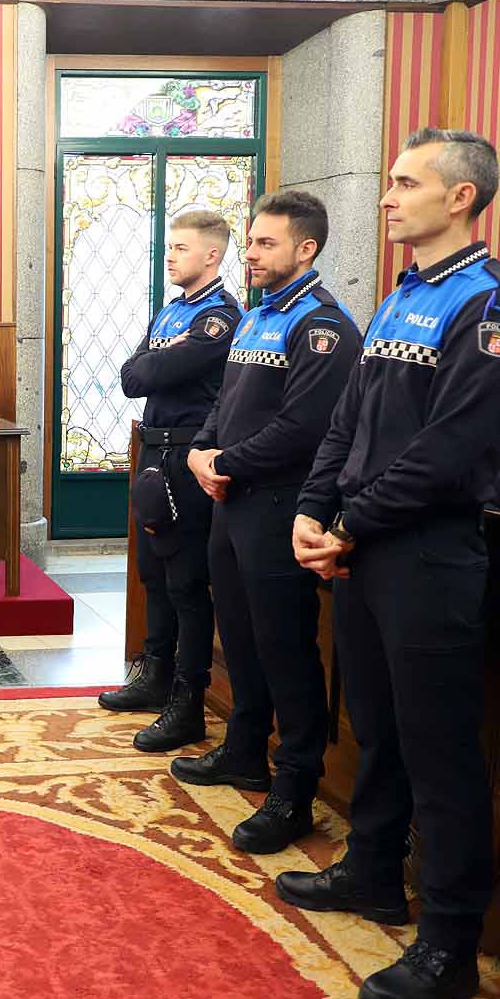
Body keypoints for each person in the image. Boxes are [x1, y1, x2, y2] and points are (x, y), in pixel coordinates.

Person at [284, 128, 500, 999]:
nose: (387, 195)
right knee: (377, 724)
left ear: (461, 197)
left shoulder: (490, 305)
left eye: (406, 182)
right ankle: (370, 868)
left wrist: (348, 519)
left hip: (427, 551)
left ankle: (448, 943)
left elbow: (452, 451)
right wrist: (313, 509)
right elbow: (349, 419)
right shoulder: (401, 296)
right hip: (361, 545)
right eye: (389, 180)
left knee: (439, 751)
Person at [177, 191, 361, 854]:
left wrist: (222, 459)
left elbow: (304, 430)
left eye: (264, 243)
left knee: (286, 648)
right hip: (232, 503)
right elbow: (224, 404)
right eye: (249, 242)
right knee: (241, 637)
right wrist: (202, 450)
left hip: (283, 507)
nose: (249, 254)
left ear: (305, 249)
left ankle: (294, 791)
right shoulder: (256, 318)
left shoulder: (323, 326)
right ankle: (245, 748)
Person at [103, 210, 242, 750]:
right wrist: (156, 359)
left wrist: (155, 361)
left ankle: (188, 702)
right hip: (153, 452)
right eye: (170, 247)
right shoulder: (172, 313)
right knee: (153, 574)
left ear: (212, 255)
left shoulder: (219, 318)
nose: (171, 256)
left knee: (186, 581)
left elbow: (152, 372)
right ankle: (154, 677)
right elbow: (130, 378)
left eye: (181, 248)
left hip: (189, 457)